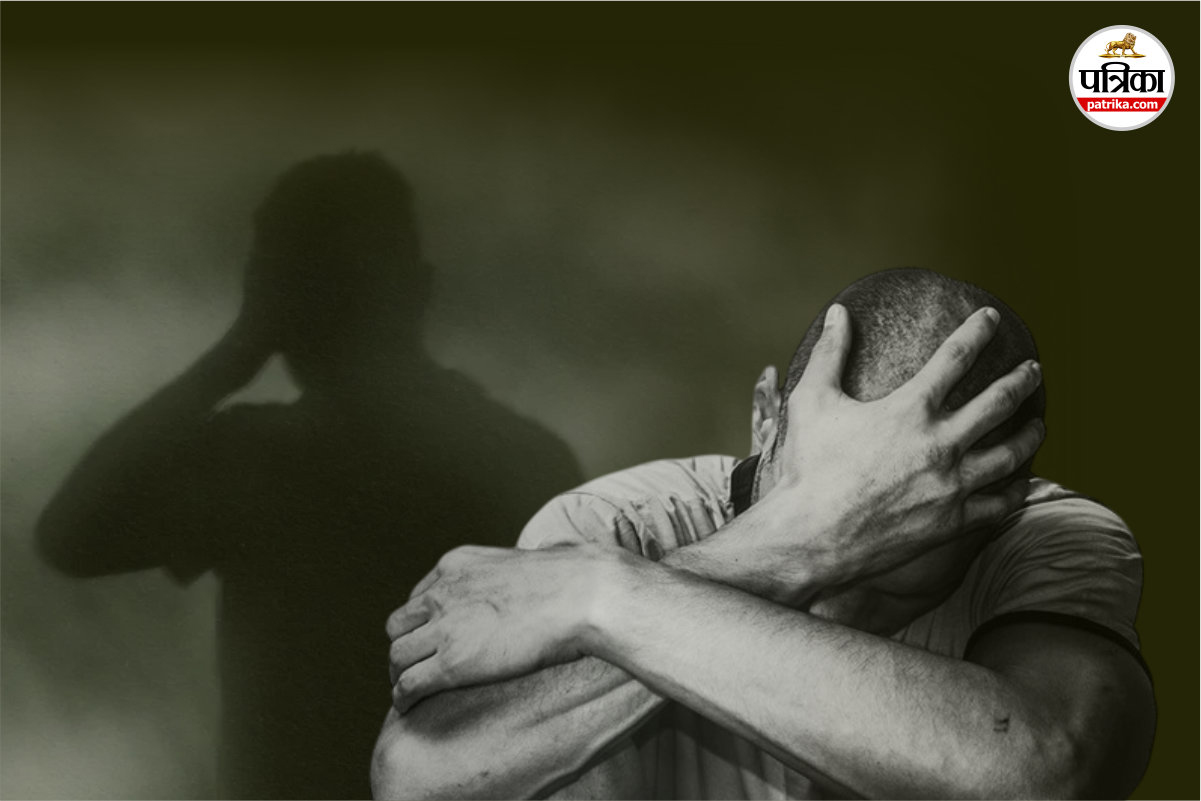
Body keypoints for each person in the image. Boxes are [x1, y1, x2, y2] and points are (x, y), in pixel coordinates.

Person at [373, 269, 1154, 799]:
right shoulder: (615, 525)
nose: (838, 595)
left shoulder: (1048, 535)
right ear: (763, 419)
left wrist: (607, 598)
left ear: (998, 500)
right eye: (831, 506)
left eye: (897, 547)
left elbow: (1040, 774)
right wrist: (789, 547)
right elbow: (419, 776)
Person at [36, 152, 583, 799]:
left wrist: (232, 356)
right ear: (417, 289)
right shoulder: (516, 458)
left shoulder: (264, 457)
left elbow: (73, 537)